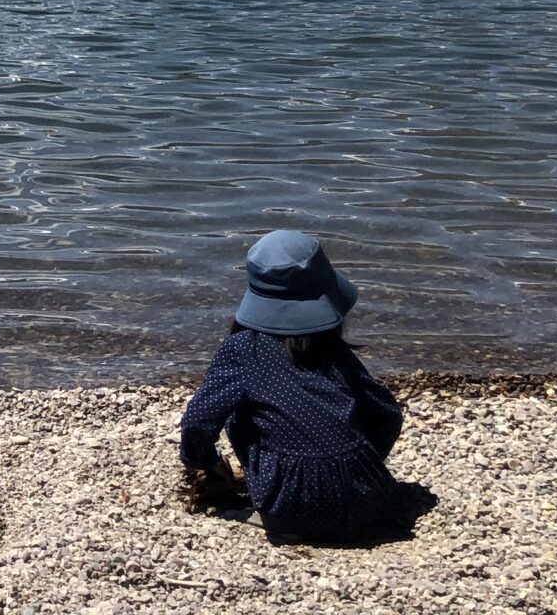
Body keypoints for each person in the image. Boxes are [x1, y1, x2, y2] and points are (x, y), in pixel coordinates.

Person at [177, 229, 415, 544]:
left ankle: (274, 509)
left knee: (237, 409)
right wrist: (356, 464)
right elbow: (388, 415)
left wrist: (206, 462)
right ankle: (336, 484)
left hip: (291, 507)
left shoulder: (243, 349)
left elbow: (197, 422)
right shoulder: (335, 352)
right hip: (369, 501)